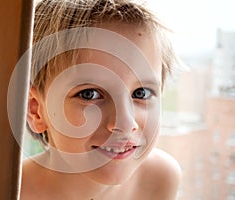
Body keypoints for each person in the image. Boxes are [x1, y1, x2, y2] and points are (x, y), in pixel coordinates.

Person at [20, 0, 181, 199]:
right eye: (89, 94)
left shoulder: (160, 178)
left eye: (141, 93)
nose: (125, 123)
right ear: (36, 109)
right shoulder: (10, 191)